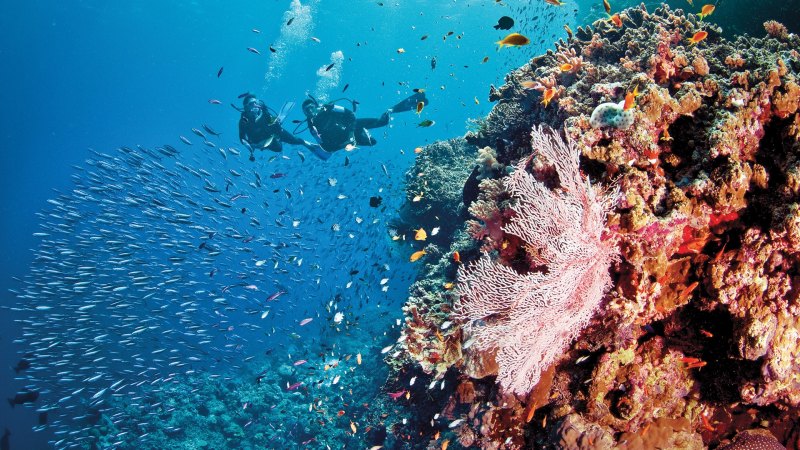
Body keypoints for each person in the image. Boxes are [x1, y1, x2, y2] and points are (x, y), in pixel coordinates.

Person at [300, 92, 428, 154]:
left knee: (383, 122)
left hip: (353, 125)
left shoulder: (328, 108)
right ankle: (361, 135)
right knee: (372, 142)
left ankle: (391, 110)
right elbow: (325, 146)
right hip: (344, 140)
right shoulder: (312, 126)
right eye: (307, 111)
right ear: (305, 114)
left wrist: (350, 133)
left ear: (316, 106)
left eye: (311, 107)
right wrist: (343, 144)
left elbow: (350, 114)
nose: (310, 111)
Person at [238, 94, 329, 161]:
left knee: (294, 139)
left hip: (274, 132)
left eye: (256, 102)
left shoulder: (264, 112)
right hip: (261, 141)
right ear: (246, 107)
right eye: (251, 104)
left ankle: (307, 144)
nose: (255, 105)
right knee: (279, 148)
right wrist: (253, 146)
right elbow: (242, 138)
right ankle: (275, 142)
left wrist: (277, 122)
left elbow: (273, 123)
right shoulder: (243, 121)